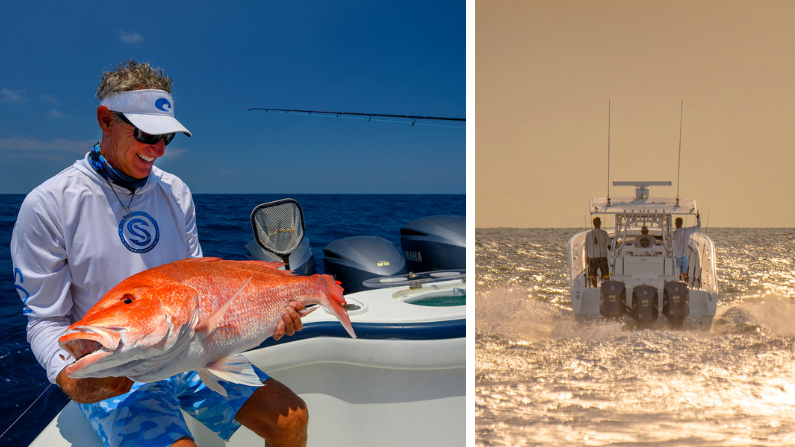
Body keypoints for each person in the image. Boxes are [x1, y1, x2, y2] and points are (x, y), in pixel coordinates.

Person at [11, 61, 309, 447]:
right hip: (118, 365)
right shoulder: (49, 204)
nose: (159, 149)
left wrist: (265, 316)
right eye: (147, 133)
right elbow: (45, 319)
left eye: (167, 137)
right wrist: (70, 376)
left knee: (291, 420)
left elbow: (201, 283)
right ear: (106, 120)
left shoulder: (176, 192)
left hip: (190, 354)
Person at [672, 213, 701, 282]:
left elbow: (669, 245)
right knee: (684, 273)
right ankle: (685, 281)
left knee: (673, 273)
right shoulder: (687, 231)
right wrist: (698, 218)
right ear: (682, 223)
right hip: (684, 256)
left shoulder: (673, 234)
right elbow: (698, 226)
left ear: (675, 224)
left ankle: (674, 281)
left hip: (675, 257)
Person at [585, 216, 610, 287]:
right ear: (600, 223)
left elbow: (586, 247)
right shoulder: (604, 233)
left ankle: (594, 286)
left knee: (593, 275)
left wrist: (586, 257)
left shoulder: (588, 234)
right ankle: (605, 287)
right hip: (602, 256)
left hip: (592, 257)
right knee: (605, 274)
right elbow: (609, 244)